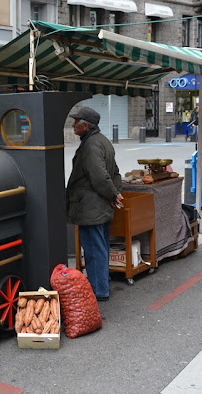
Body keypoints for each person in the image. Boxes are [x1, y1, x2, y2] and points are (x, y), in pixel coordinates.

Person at [66, 106, 123, 301]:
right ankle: (102, 284)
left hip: (91, 207)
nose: (73, 125)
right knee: (101, 247)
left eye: (76, 122)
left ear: (86, 125)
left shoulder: (90, 145)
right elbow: (115, 172)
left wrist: (113, 194)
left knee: (93, 249)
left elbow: (99, 176)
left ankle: (99, 290)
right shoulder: (103, 141)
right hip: (100, 205)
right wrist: (114, 194)